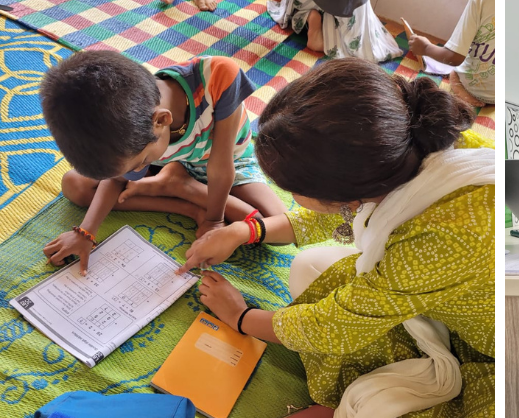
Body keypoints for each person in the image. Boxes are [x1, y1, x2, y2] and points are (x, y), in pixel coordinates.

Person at [179, 58, 496, 418]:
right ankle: (367, 405)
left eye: (294, 186)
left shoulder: (440, 236)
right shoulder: (412, 148)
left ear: (349, 187)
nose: (289, 195)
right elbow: (338, 218)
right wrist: (246, 232)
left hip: (491, 358)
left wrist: (243, 317)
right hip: (439, 304)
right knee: (309, 266)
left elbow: (333, 323)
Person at [39, 52, 285, 274]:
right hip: (171, 160)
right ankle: (182, 195)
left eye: (140, 163)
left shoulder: (219, 76)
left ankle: (182, 186)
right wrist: (86, 231)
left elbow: (220, 168)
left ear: (162, 120)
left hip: (226, 161)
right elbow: (119, 176)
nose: (135, 173)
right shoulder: (132, 128)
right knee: (74, 185)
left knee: (279, 229)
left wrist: (213, 220)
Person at [409, 0, 495, 107]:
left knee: (454, 73)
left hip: (480, 90)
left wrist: (426, 48)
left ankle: (467, 94)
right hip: (510, 93)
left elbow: (454, 58)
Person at [266, 0, 403, 62]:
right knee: (354, 28)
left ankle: (307, 17)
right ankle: (324, 35)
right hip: (350, 11)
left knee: (287, 7)